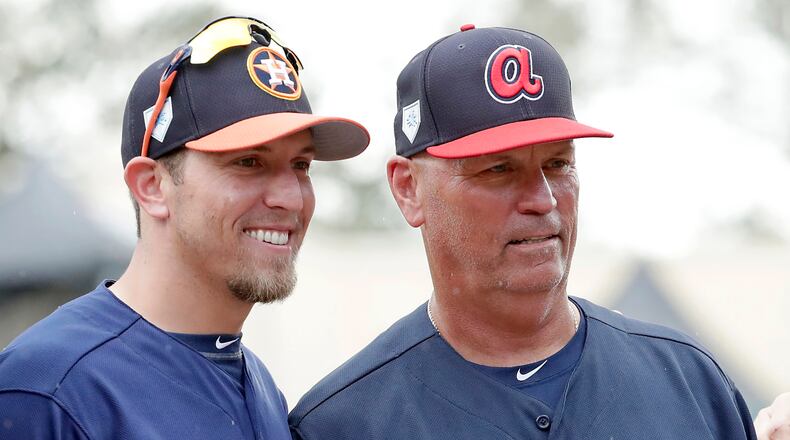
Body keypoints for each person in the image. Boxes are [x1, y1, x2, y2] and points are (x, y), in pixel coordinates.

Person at [288, 24, 757, 439]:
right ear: (408, 189)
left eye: (557, 164)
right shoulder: (342, 423)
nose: (543, 199)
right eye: (498, 169)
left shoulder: (692, 380)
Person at [0, 16, 368, 439]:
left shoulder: (262, 388)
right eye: (249, 162)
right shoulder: (48, 390)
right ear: (153, 187)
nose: (291, 197)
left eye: (301, 165)